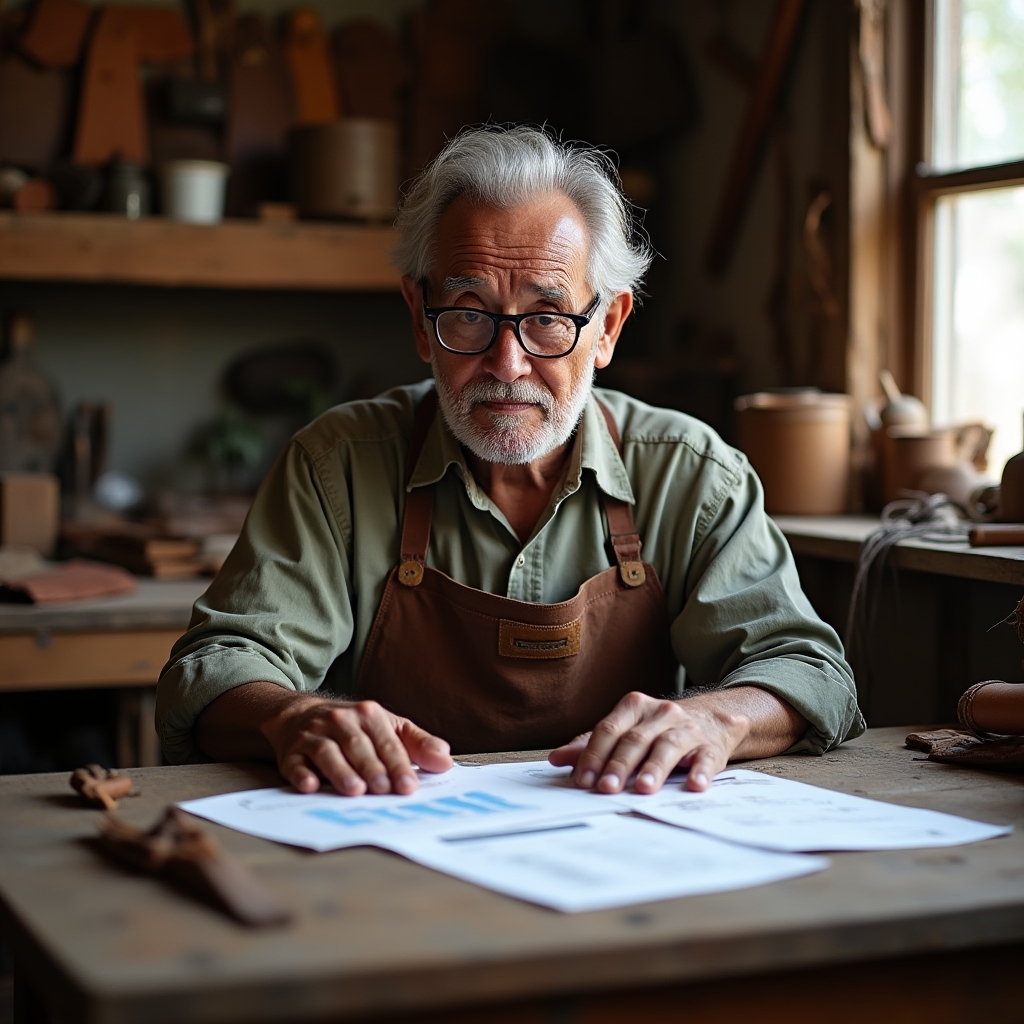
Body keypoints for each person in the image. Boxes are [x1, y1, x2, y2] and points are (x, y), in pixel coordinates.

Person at [156, 125, 863, 800]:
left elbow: (810, 671)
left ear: (607, 326)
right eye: (467, 311)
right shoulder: (336, 465)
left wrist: (718, 717)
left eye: (547, 317)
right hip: (389, 848)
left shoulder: (692, 473)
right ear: (418, 317)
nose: (507, 363)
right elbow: (214, 669)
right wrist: (290, 717)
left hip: (625, 841)